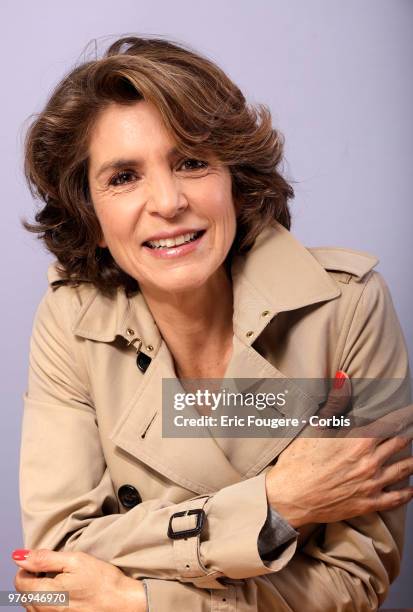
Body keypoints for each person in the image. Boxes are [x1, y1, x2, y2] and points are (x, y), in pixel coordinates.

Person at [13, 35, 412, 611]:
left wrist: (140, 600)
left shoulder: (349, 309)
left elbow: (356, 582)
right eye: (124, 177)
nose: (168, 201)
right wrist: (278, 505)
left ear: (235, 181)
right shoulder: (72, 318)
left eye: (192, 162)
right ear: (91, 217)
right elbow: (56, 573)